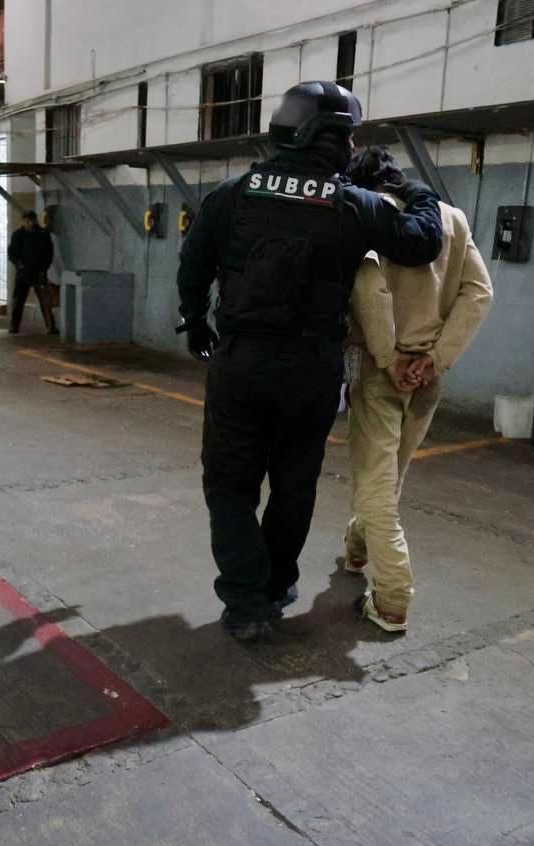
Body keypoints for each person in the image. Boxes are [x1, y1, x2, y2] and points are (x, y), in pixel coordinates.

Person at [175, 81, 444, 641]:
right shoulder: (354, 204)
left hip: (241, 363)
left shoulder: (233, 193)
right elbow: (422, 241)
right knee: (294, 484)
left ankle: (247, 603)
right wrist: (413, 190)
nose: (352, 148)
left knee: (229, 485)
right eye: (348, 137)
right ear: (326, 137)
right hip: (312, 370)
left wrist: (197, 324)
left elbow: (193, 265)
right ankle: (276, 587)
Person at [343, 145, 493, 632]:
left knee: (376, 482)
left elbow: (370, 289)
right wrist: (435, 358)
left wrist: (390, 360)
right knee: (390, 475)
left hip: (381, 370)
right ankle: (357, 549)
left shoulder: (367, 216)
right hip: (428, 377)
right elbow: (479, 292)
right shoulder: (451, 218)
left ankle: (392, 598)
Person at [7, 210, 57, 334]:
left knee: (45, 301)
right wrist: (19, 265)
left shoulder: (43, 234)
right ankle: (14, 326)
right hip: (23, 273)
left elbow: (49, 253)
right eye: (26, 221)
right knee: (18, 301)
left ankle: (51, 327)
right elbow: (12, 253)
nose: (28, 223)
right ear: (23, 221)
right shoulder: (18, 235)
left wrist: (43, 268)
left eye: (30, 221)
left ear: (35, 220)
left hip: (39, 273)